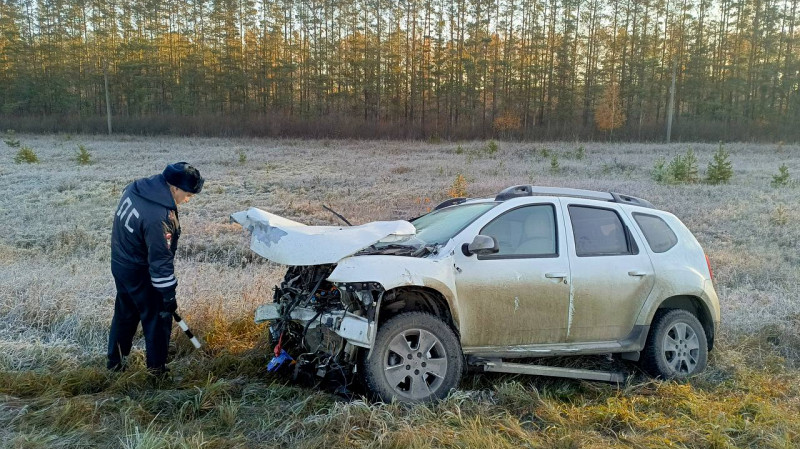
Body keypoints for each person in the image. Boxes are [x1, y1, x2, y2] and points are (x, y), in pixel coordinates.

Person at [107, 162, 204, 374]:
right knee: (159, 319)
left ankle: (115, 364)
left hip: (121, 264)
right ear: (174, 188)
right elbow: (160, 261)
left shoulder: (139, 188)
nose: (188, 199)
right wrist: (168, 296)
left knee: (125, 314)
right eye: (188, 194)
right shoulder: (159, 217)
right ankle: (157, 371)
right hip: (142, 272)